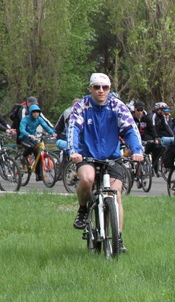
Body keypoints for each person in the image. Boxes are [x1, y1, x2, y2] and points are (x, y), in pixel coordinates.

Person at [68, 73, 143, 252]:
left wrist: (137, 151)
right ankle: (83, 209)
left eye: (105, 87)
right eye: (97, 87)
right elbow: (73, 130)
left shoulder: (117, 106)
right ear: (90, 89)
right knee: (87, 179)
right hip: (87, 156)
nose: (101, 91)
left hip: (112, 157)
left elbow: (130, 129)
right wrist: (74, 152)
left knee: (116, 194)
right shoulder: (82, 106)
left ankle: (118, 238)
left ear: (109, 89)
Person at [18, 103, 57, 181]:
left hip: (33, 138)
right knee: (31, 147)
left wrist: (52, 133)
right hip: (24, 138)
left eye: (37, 112)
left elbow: (45, 126)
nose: (36, 114)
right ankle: (23, 157)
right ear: (31, 112)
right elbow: (22, 129)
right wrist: (28, 135)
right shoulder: (25, 119)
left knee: (38, 154)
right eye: (34, 112)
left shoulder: (39, 119)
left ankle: (38, 174)